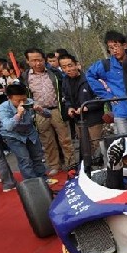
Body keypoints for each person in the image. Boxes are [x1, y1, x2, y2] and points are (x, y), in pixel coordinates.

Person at [20, 47, 75, 175]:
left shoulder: (54, 73)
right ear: (28, 61)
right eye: (33, 61)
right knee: (47, 140)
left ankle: (71, 163)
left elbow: (65, 87)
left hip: (56, 109)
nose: (37, 63)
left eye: (39, 60)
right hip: (39, 112)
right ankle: (54, 165)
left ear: (44, 59)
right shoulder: (24, 77)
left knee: (65, 139)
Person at [86, 30, 127, 135]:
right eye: (111, 48)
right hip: (121, 110)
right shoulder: (106, 65)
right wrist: (107, 95)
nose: (114, 50)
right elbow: (89, 75)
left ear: (125, 45)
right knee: (126, 143)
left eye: (116, 46)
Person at [0, 83, 50, 180]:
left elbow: (48, 115)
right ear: (9, 98)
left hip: (30, 133)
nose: (22, 102)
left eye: (24, 99)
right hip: (13, 136)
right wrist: (18, 114)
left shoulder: (29, 102)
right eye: (18, 101)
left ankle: (43, 179)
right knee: (25, 160)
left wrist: (41, 110)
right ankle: (33, 183)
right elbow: (8, 126)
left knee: (37, 157)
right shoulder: (3, 108)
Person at [59, 54, 104, 160]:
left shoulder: (89, 79)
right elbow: (66, 97)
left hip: (94, 119)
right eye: (64, 67)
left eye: (70, 65)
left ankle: (101, 167)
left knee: (96, 146)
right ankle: (88, 168)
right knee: (84, 146)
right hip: (78, 120)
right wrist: (69, 108)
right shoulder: (65, 80)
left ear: (77, 65)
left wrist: (87, 107)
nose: (68, 69)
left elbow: (101, 98)